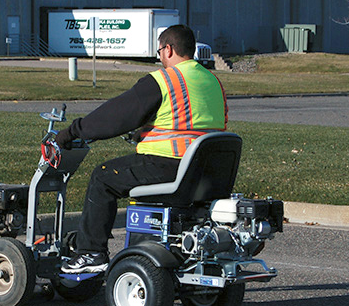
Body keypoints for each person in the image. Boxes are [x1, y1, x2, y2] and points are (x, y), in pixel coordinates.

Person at [55, 24, 228, 274]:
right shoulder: (213, 82)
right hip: (208, 173)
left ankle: (91, 253)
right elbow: (191, 123)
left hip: (171, 166)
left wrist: (72, 131)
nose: (159, 57)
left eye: (159, 51)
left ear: (168, 49)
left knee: (103, 176)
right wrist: (144, 133)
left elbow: (115, 116)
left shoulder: (165, 79)